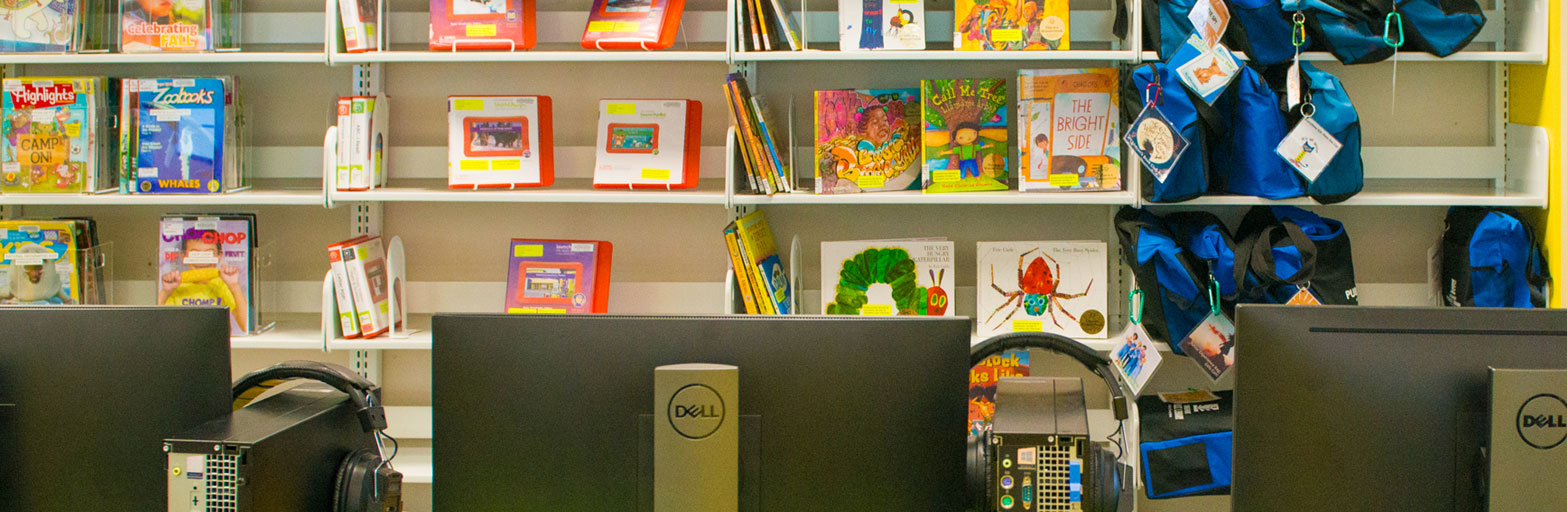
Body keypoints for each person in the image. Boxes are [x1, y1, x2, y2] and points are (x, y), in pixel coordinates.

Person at [158, 229, 249, 332]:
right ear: (183, 256)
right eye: (195, 254)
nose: (202, 261)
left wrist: (234, 286)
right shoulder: (176, 286)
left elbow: (246, 325)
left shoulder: (222, 285)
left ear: (219, 256)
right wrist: (166, 292)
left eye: (209, 254)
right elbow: (156, 325)